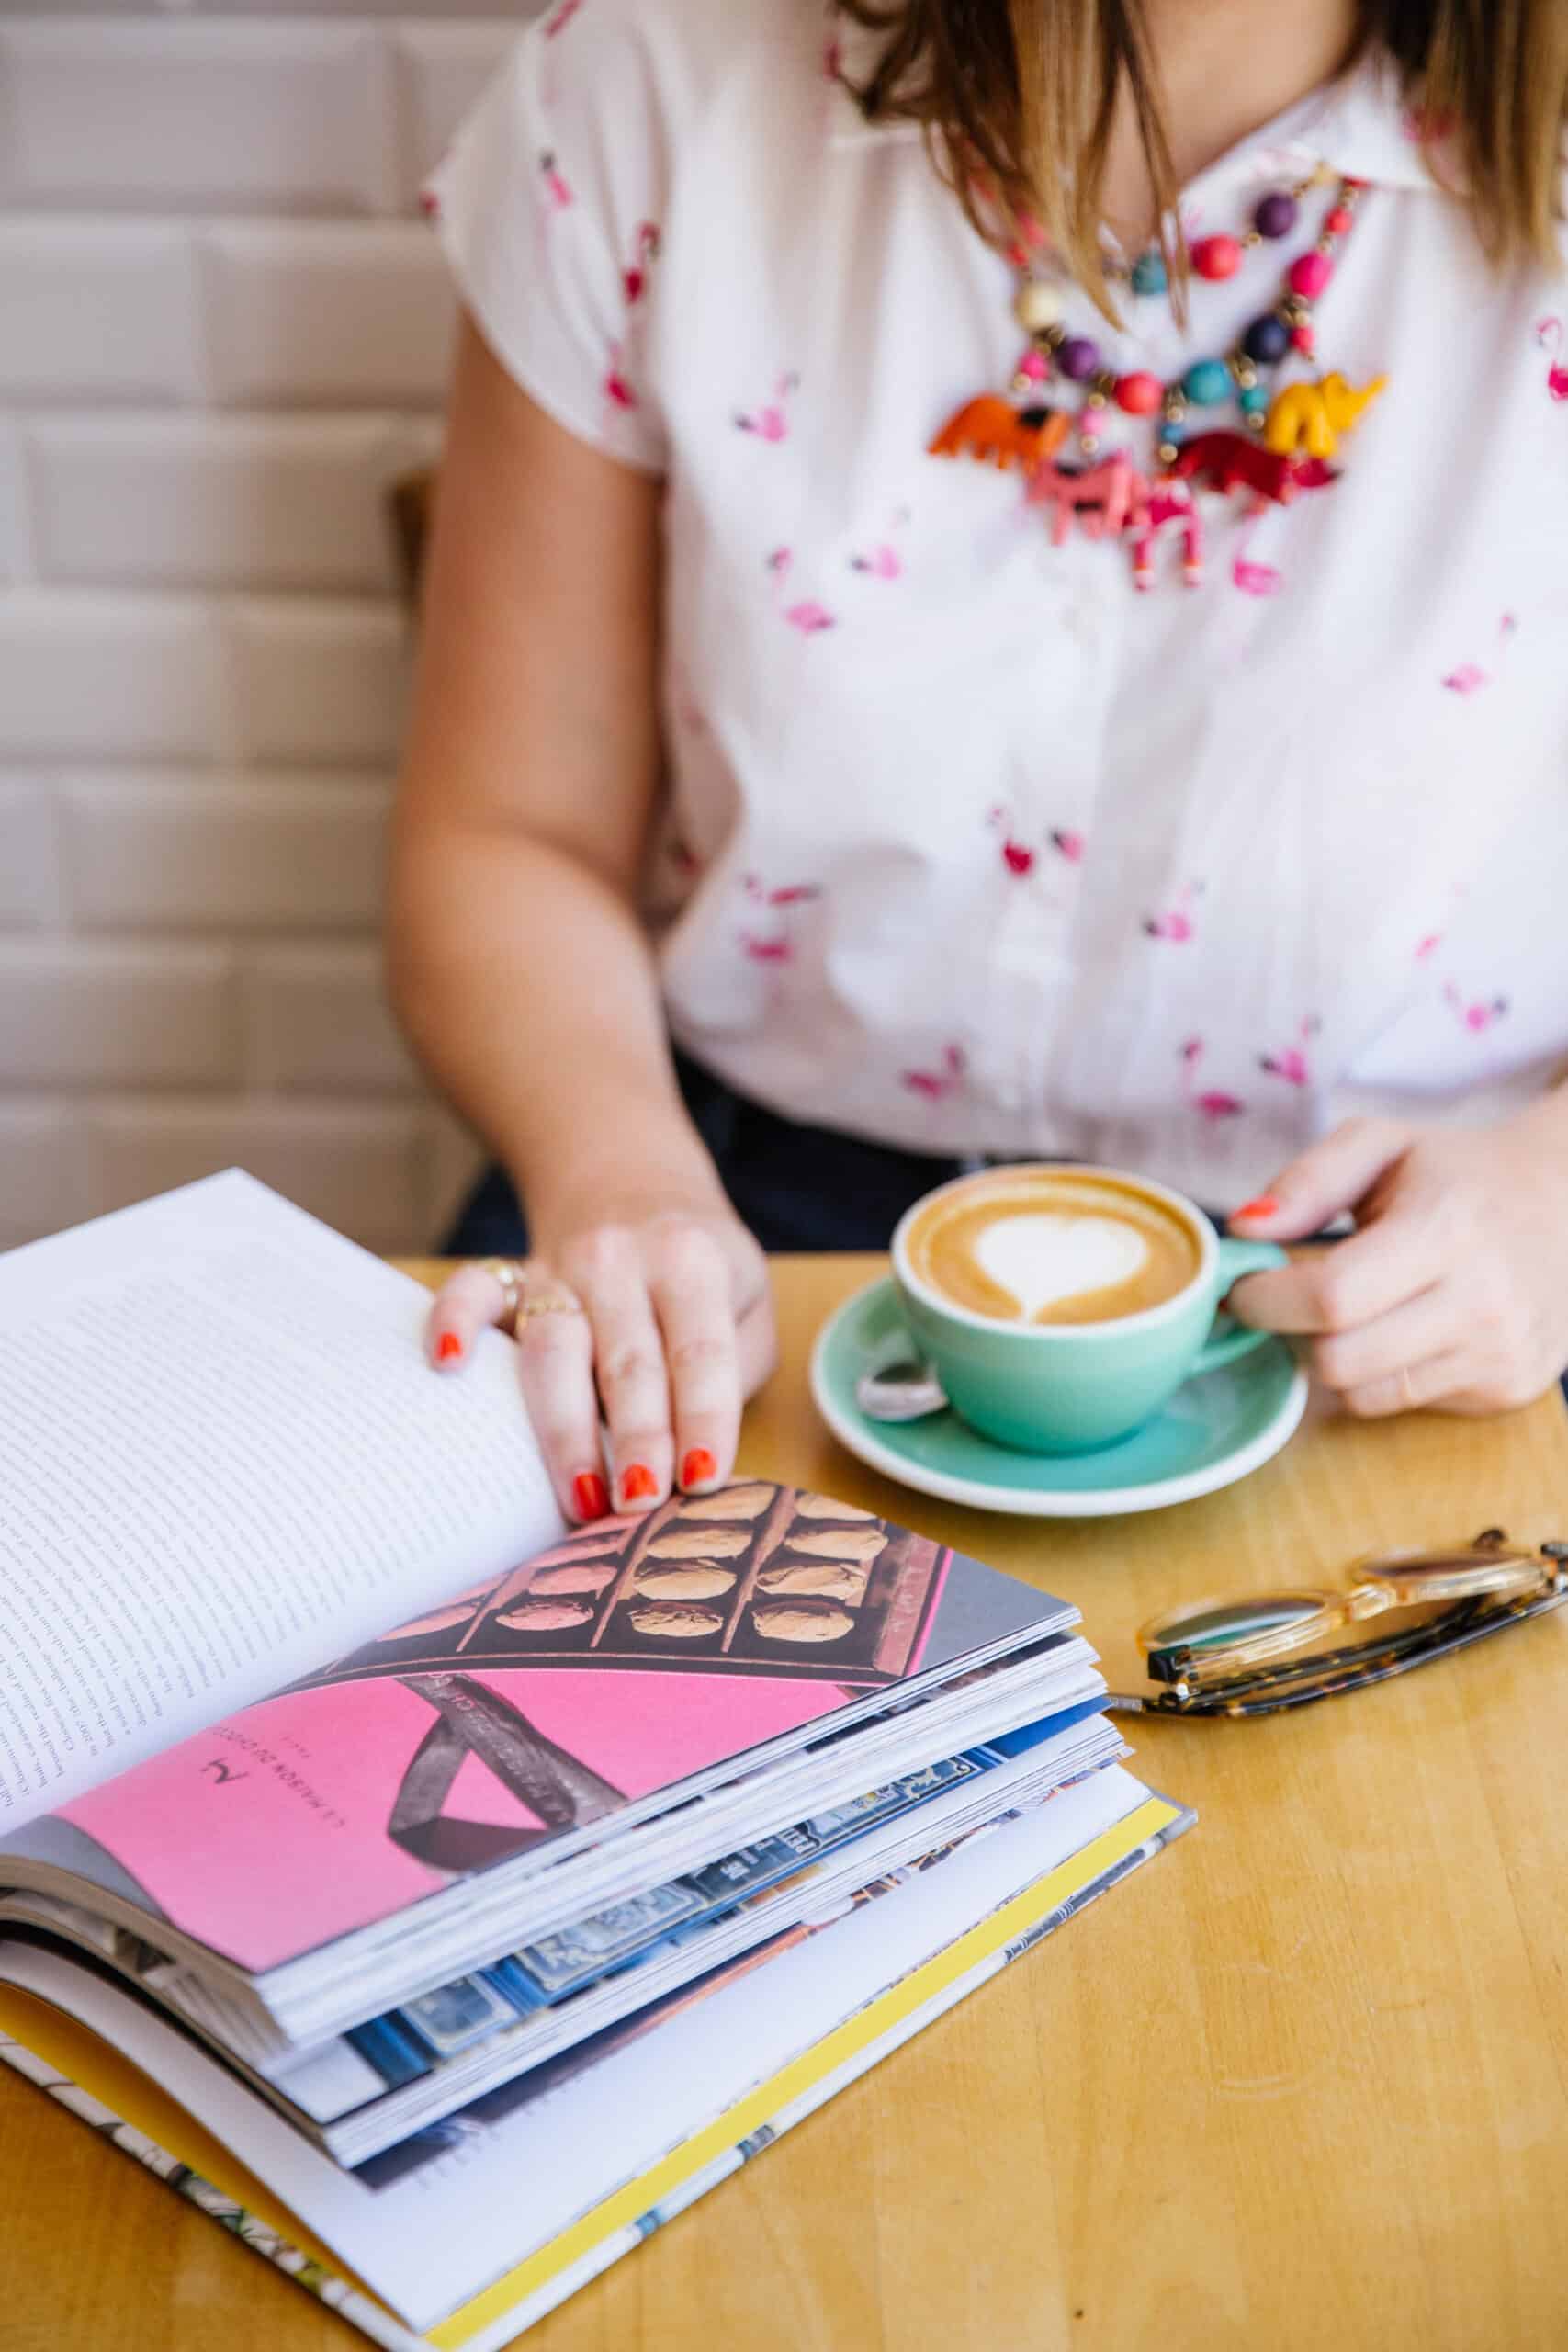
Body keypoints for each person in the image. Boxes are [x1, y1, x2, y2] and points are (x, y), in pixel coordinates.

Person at [387, 0, 1568, 1527]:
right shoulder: (652, 87)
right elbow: (504, 836)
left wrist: (1557, 1191)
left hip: (1417, 1277)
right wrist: (618, 1175)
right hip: (741, 1214)